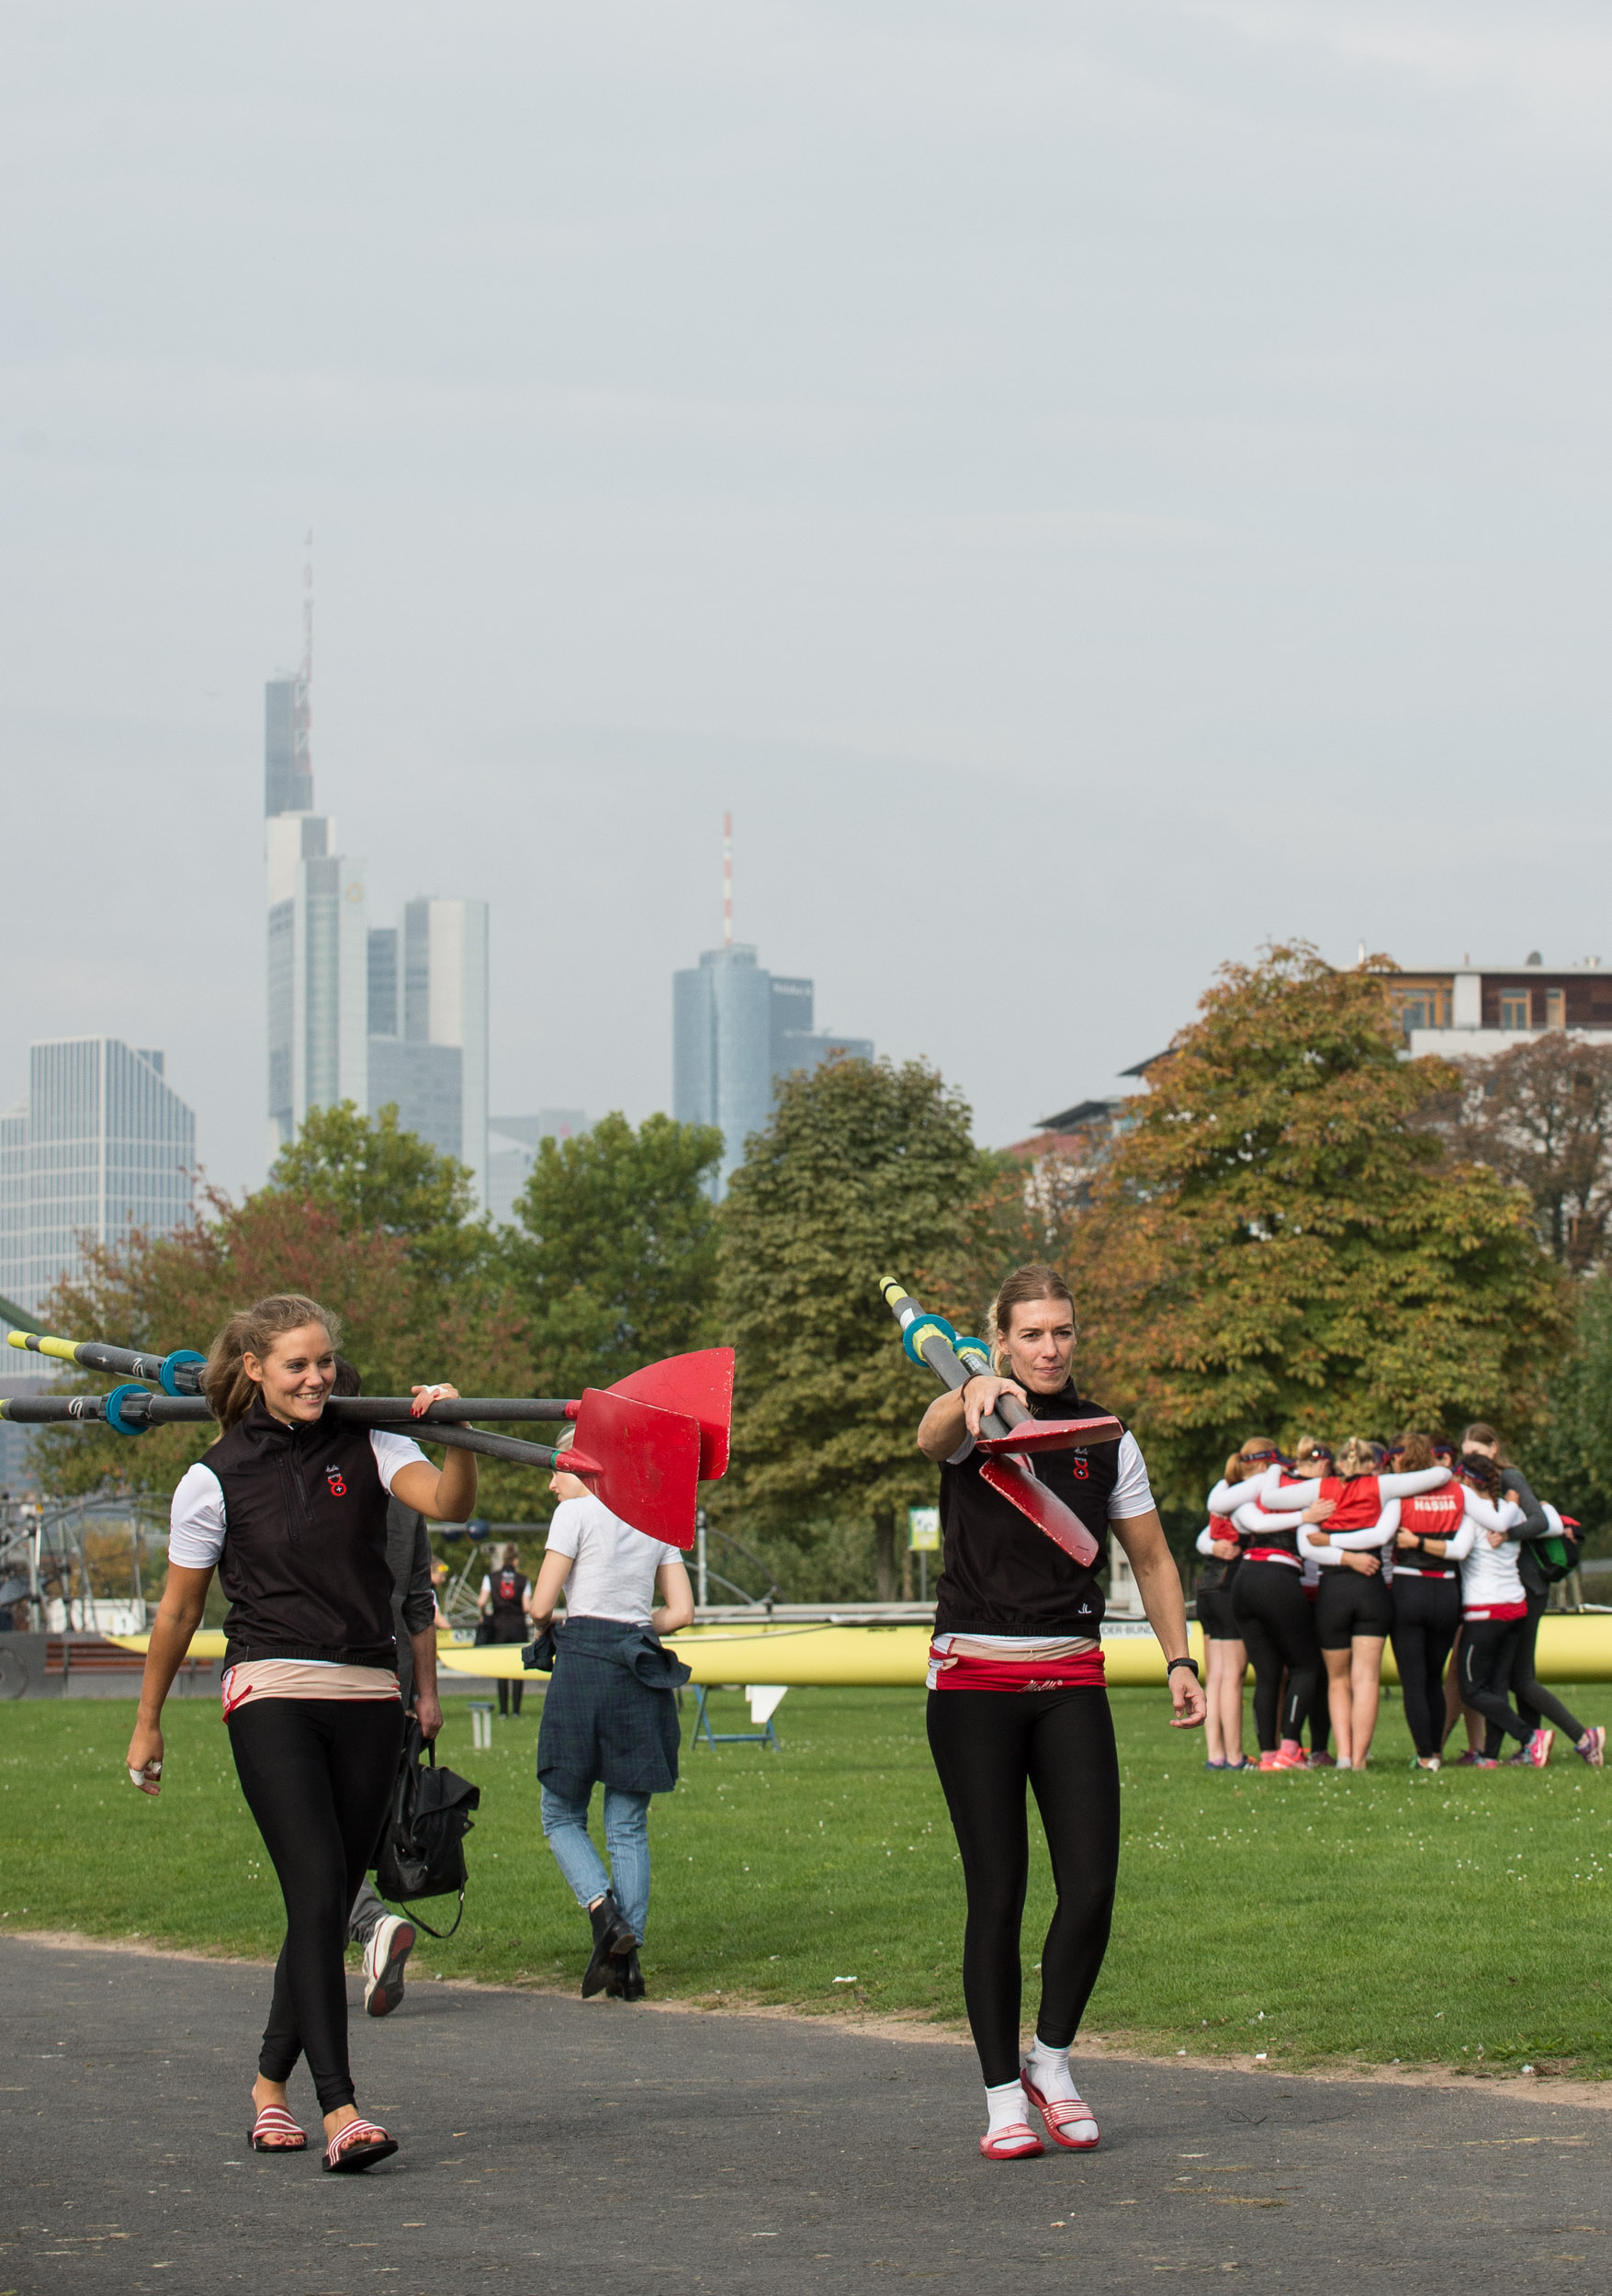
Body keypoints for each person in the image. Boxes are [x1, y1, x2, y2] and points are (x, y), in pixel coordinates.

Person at [123, 1294, 478, 2172]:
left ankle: (266, 2088)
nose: (317, 1376)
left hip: (368, 1689)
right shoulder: (211, 1475)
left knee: (319, 1902)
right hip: (269, 1683)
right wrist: (147, 1720)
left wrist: (458, 1432)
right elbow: (177, 1609)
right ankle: (341, 2109)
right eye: (296, 1364)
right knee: (320, 1884)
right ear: (254, 1368)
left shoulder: (372, 1439)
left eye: (324, 1361)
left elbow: (447, 1500)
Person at [914, 1264, 1206, 2162]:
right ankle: (1002, 2097)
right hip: (973, 1686)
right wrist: (970, 1390)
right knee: (996, 1894)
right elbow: (930, 1438)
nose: (1049, 1348)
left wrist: (1180, 1658)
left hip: (1071, 1678)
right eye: (1032, 1333)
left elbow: (1153, 1561)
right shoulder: (973, 1416)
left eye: (1062, 1332)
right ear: (999, 1337)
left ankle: (1052, 2059)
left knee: (1090, 1892)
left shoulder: (1106, 1436)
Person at [527, 1431, 695, 2002]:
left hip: (585, 1666)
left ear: (587, 1468)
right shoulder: (657, 1521)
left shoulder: (573, 1515)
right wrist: (635, 1621)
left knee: (560, 1812)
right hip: (639, 1665)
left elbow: (540, 1605)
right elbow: (682, 1612)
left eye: (558, 1467)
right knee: (627, 1823)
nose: (552, 1481)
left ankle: (605, 1917)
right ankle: (629, 1966)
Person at [325, 1359, 439, 2020]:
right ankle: (362, 1938)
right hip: (389, 1675)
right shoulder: (404, 1474)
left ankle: (368, 1924)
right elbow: (419, 1598)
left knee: (313, 1834)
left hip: (323, 1669)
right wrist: (426, 1693)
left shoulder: (321, 1470)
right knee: (352, 1824)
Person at [1460, 1424, 1605, 1770]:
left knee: (1519, 1677)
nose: (1472, 1461)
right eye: (1467, 1455)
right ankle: (1515, 1750)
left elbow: (1539, 1520)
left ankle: (1583, 1738)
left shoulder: (1508, 1478)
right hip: (1513, 1588)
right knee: (1507, 1676)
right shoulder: (1485, 1483)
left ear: (1494, 1448)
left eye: (1477, 1454)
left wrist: (1506, 1532)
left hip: (1525, 1586)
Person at [1296, 1436, 1400, 1770]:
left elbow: (1308, 1545)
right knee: (1366, 1678)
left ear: (1339, 1464)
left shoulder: (1323, 1493)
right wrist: (1357, 1558)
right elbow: (1382, 1536)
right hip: (1372, 1586)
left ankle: (1342, 1755)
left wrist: (1342, 1556)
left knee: (1338, 1680)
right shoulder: (1385, 1493)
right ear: (1375, 1465)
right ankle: (1359, 1760)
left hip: (1332, 1590)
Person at [1386, 1432, 1471, 1771]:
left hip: (1409, 1588)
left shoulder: (1399, 1492)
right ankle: (1436, 1752)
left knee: (1413, 1680)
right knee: (1433, 1677)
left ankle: (1424, 1756)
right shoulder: (1457, 1492)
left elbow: (1381, 1535)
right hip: (1447, 1591)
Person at [1449, 1452, 1538, 1766]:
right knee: (1497, 1687)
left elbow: (1459, 1551)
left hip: (1486, 1612)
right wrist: (1512, 1503)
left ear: (1469, 1481)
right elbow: (1544, 1521)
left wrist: (1421, 1544)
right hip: (1515, 1607)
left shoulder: (1473, 1516)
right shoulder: (1510, 1512)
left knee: (1472, 1690)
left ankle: (1530, 1737)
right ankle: (1489, 1756)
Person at [479, 1543, 533, 1718]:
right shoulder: (523, 1580)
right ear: (516, 1561)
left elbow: (481, 1602)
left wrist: (485, 1614)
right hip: (518, 1626)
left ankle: (503, 1711)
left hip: (498, 1625)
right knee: (517, 1668)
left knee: (501, 1669)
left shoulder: (490, 1577)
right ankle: (516, 1710)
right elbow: (526, 1607)